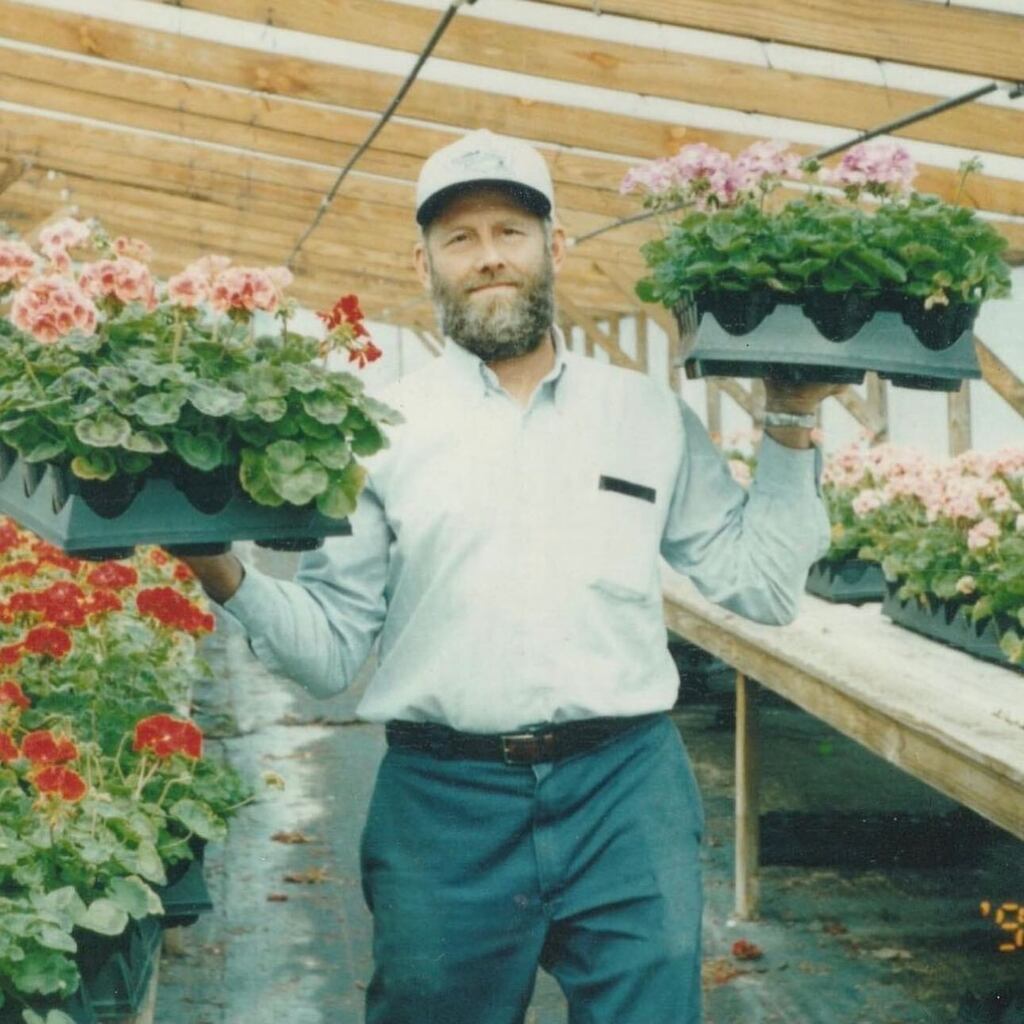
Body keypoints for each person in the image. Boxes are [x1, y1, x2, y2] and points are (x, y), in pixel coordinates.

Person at [182, 129, 835, 1024]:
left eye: (510, 231)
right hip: (443, 802)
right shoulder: (378, 429)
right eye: (460, 238)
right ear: (425, 265)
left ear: (555, 246)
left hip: (625, 791)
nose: (488, 257)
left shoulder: (643, 413)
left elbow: (759, 587)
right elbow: (334, 653)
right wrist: (220, 568)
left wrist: (792, 418)